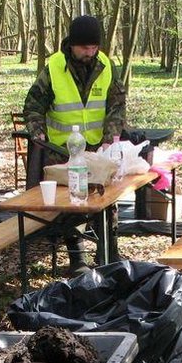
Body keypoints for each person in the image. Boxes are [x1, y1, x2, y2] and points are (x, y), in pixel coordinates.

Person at [23, 14, 127, 275]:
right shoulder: (54, 67)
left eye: (94, 47)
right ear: (72, 45)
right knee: (73, 203)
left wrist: (110, 136)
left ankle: (108, 252)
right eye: (84, 48)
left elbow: (117, 104)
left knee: (107, 201)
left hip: (96, 147)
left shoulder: (105, 65)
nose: (89, 53)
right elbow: (33, 104)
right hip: (63, 150)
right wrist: (38, 132)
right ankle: (77, 256)